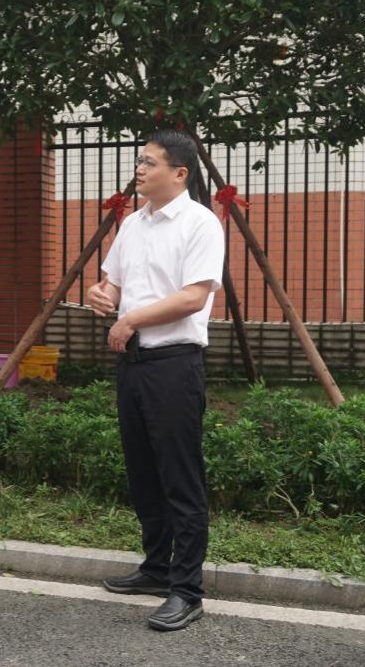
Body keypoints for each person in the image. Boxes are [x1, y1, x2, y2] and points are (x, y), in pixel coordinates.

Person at [87, 129, 224, 632]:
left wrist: (129, 319)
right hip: (133, 363)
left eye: (149, 162)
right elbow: (113, 284)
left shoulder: (200, 224)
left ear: (180, 173)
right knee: (142, 471)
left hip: (174, 364)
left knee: (180, 477)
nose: (139, 169)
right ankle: (156, 568)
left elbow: (193, 297)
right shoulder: (132, 224)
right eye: (139, 160)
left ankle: (186, 590)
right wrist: (102, 296)